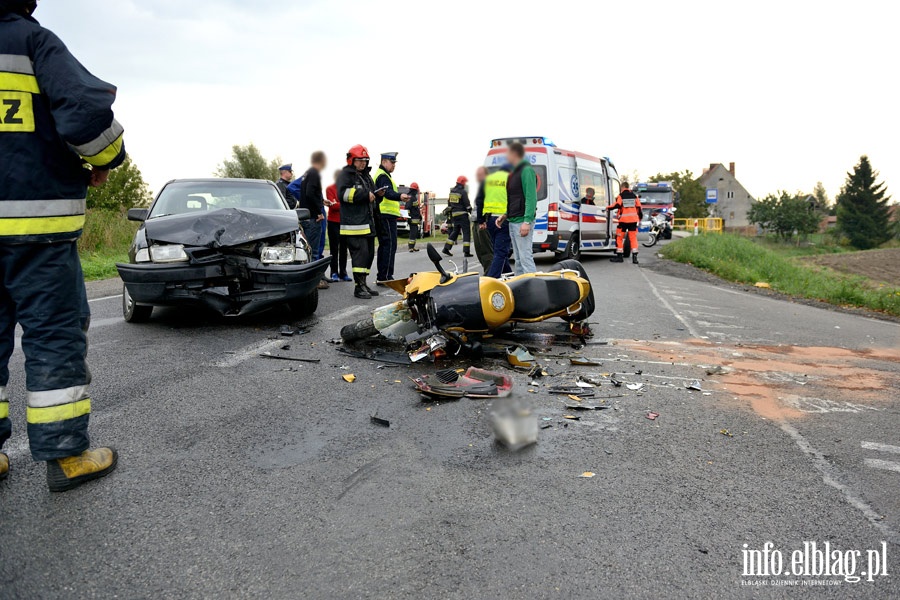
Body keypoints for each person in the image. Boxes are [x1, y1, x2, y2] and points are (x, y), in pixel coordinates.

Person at [1, 0, 124, 491]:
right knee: (54, 335)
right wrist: (107, 159)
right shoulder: (33, 42)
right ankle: (67, 455)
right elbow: (87, 116)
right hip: (37, 229)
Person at [337, 145, 381, 299]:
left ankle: (363, 283)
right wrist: (364, 195)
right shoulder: (346, 175)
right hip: (354, 225)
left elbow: (371, 195)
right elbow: (343, 194)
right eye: (360, 160)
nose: (363, 163)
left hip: (367, 223)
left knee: (369, 255)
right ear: (351, 160)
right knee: (360, 256)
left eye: (365, 160)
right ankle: (358, 287)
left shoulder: (366, 176)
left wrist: (378, 195)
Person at [373, 152, 409, 283]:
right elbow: (387, 193)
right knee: (389, 244)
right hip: (385, 215)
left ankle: (384, 275)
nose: (394, 165)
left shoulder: (385, 175)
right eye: (392, 162)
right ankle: (385, 276)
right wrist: (400, 196)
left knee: (386, 244)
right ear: (384, 162)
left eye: (394, 163)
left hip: (387, 215)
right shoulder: (382, 176)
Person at [297, 151, 329, 288]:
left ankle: (307, 280)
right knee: (313, 251)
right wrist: (318, 212)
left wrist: (322, 201)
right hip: (312, 218)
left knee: (307, 250)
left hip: (305, 216)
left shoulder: (307, 174)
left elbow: (309, 193)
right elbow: (310, 193)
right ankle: (314, 282)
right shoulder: (315, 173)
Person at [505, 142, 537, 275]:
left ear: (515, 154)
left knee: (525, 258)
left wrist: (527, 221)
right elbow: (513, 197)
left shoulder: (526, 170)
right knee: (518, 260)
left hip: (521, 221)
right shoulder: (514, 172)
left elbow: (531, 197)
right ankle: (520, 289)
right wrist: (505, 215)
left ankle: (534, 288)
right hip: (513, 220)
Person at [483, 166, 513, 278]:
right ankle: (491, 280)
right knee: (500, 252)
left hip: (490, 219)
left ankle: (510, 276)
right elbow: (513, 198)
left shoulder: (489, 179)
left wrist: (483, 220)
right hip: (503, 219)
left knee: (499, 251)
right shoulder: (509, 178)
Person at [606, 181, 643, 264]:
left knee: (619, 237)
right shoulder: (634, 196)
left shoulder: (621, 196)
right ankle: (635, 257)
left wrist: (608, 208)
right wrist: (639, 219)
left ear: (622, 187)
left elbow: (617, 205)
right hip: (633, 220)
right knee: (633, 238)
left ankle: (619, 256)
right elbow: (639, 208)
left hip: (623, 221)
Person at [325, 170, 350, 282]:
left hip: (345, 222)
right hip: (333, 222)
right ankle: (334, 272)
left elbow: (349, 204)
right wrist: (343, 204)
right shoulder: (330, 188)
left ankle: (343, 272)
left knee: (344, 249)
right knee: (334, 249)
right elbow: (332, 206)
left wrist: (338, 203)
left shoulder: (347, 189)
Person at [442, 176, 472, 257]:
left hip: (454, 215)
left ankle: (446, 248)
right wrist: (471, 212)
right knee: (466, 232)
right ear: (462, 182)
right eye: (465, 182)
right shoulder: (463, 192)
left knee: (455, 232)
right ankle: (466, 252)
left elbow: (449, 204)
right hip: (463, 214)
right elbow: (467, 204)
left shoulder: (452, 192)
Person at [472, 166, 494, 272]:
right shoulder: (481, 186)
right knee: (479, 250)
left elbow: (487, 203)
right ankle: (491, 272)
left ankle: (490, 275)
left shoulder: (488, 185)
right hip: (476, 220)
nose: (478, 176)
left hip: (482, 221)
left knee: (486, 252)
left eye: (480, 174)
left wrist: (483, 220)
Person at [406, 182, 423, 252]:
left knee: (415, 233)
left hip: (415, 219)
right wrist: (409, 217)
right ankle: (410, 247)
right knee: (413, 233)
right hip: (412, 219)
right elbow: (407, 208)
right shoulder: (410, 197)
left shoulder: (414, 197)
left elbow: (416, 208)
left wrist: (420, 216)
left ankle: (412, 247)